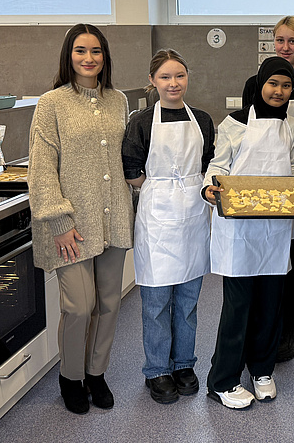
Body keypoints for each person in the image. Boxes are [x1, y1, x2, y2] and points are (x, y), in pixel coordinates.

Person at [28, 23, 133, 414]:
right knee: (77, 305)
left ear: (105, 57)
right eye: (80, 51)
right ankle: (71, 376)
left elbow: (124, 157)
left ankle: (96, 373)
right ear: (68, 56)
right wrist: (59, 222)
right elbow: (40, 169)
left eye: (96, 51)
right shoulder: (51, 103)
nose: (88, 59)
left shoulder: (118, 100)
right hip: (69, 222)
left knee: (108, 303)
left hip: (113, 217)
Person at [203, 57, 294, 410]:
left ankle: (262, 370)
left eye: (286, 85)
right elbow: (218, 166)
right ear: (260, 83)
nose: (279, 91)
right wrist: (209, 188)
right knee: (238, 306)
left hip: (274, 228)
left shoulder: (291, 125)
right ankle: (222, 380)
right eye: (273, 83)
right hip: (238, 229)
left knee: (270, 303)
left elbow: (291, 166)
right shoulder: (233, 124)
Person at [122, 49, 215, 404]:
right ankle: (157, 370)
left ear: (187, 77)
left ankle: (183, 364)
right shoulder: (142, 122)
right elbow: (132, 169)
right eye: (165, 77)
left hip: (193, 214)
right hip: (157, 214)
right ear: (153, 81)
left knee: (189, 300)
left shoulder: (203, 119)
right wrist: (161, 187)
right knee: (157, 301)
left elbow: (209, 163)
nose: (173, 83)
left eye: (179, 75)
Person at [241, 16, 294, 362]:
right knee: (267, 258)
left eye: (292, 41)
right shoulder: (253, 83)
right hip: (266, 181)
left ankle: (290, 325)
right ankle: (262, 325)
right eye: (280, 40)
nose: (285, 47)